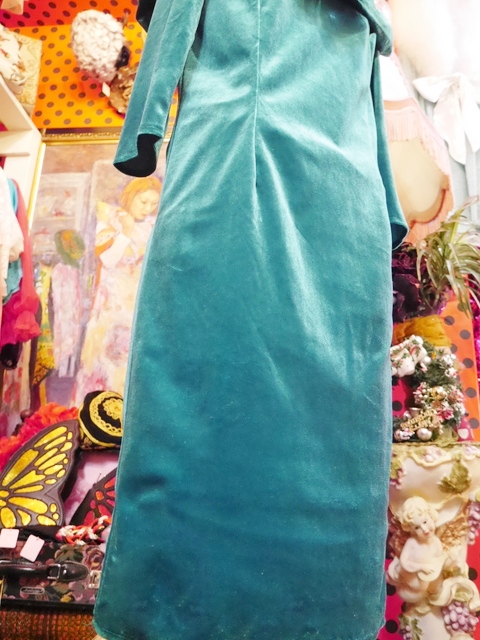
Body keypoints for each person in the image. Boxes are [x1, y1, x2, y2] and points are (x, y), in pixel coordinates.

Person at [93, 1, 408, 639]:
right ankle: (316, 613)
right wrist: (386, 211)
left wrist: (144, 129)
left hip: (248, 178)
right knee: (296, 421)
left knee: (207, 404)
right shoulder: (363, 14)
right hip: (323, 209)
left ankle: (191, 608)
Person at [74, 177, 161, 403]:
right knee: (105, 360)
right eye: (143, 202)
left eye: (153, 203)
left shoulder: (153, 226)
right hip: (111, 305)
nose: (148, 208)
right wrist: (126, 231)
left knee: (132, 361)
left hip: (138, 305)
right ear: (130, 197)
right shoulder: (110, 220)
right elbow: (109, 260)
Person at [388, 497, 447, 603]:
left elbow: (440, 559)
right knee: (418, 591)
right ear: (411, 530)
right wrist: (421, 567)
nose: (424, 529)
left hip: (427, 579)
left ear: (431, 516)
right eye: (416, 528)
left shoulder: (436, 542)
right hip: (411, 577)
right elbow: (404, 562)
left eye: (425, 521)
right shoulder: (412, 543)